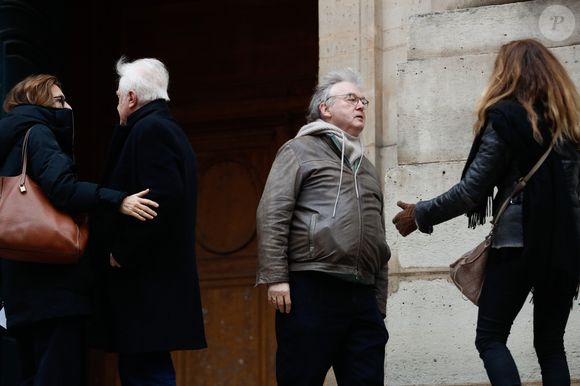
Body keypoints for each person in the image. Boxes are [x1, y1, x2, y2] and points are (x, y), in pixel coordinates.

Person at [392, 39, 580, 386]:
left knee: (490, 339)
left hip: (516, 243)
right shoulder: (571, 128)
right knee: (551, 346)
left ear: (506, 74)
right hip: (565, 248)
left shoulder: (505, 118)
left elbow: (470, 192)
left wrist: (420, 214)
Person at [0, 74, 159, 386]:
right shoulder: (39, 133)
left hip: (18, 291)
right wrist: (117, 200)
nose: (69, 107)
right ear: (38, 104)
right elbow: (63, 188)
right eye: (60, 101)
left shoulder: (8, 139)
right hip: (54, 288)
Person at [256, 68, 391, 386]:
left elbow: (378, 237)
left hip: (362, 296)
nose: (361, 106)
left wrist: (378, 303)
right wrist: (276, 277)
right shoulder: (298, 151)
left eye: (363, 101)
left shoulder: (366, 167)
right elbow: (272, 213)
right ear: (325, 108)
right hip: (311, 288)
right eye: (351, 98)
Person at [96, 57, 206, 386]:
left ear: (131, 98)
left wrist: (123, 253)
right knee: (144, 368)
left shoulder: (151, 130)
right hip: (150, 281)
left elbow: (161, 199)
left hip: (146, 280)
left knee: (146, 373)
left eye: (118, 96)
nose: (117, 104)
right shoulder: (158, 127)